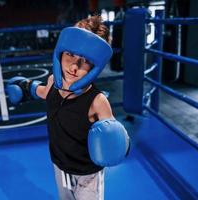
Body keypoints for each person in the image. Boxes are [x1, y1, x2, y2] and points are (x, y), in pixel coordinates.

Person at [7, 16, 130, 200]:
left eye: (85, 60)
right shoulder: (52, 84)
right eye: (70, 54)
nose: (74, 66)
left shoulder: (97, 101)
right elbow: (41, 92)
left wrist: (118, 144)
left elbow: (114, 139)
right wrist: (25, 88)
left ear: (95, 65)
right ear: (61, 52)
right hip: (60, 167)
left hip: (88, 175)